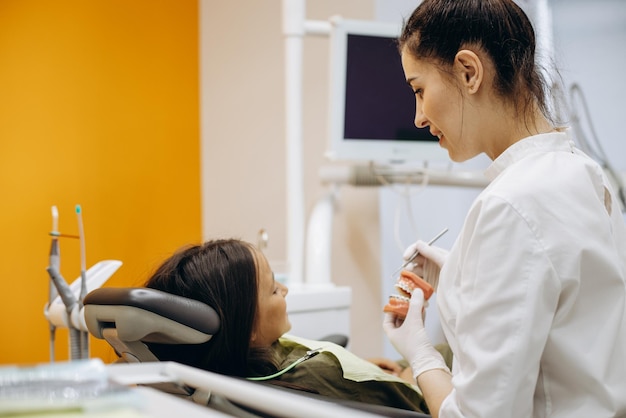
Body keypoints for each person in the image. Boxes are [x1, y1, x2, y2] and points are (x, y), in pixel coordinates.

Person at [382, 1, 626, 417]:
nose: (419, 117)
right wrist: (460, 270)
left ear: (468, 71)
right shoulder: (585, 173)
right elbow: (566, 303)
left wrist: (420, 353)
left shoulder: (510, 203)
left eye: (419, 89)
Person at [143, 238, 442, 413]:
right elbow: (416, 403)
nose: (284, 292)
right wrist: (414, 364)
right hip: (429, 393)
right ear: (247, 329)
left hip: (376, 374)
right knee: (447, 349)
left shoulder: (234, 367)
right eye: (274, 289)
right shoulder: (320, 372)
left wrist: (360, 367)